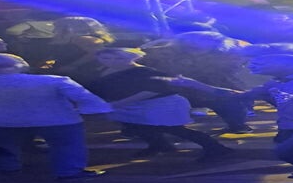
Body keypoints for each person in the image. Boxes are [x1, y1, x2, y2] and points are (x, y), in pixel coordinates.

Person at [170, 54, 293, 182]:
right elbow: (239, 95)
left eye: (270, 65)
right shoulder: (277, 82)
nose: (262, 69)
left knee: (289, 150)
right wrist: (196, 85)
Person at [0, 53, 112, 180]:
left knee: (2, 143)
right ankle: (69, 171)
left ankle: (8, 168)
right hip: (54, 118)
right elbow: (84, 98)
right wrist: (95, 111)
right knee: (66, 144)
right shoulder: (54, 80)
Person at [85, 48, 232, 162]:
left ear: (132, 57)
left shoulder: (143, 72)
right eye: (106, 58)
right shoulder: (103, 71)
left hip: (160, 104)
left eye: (119, 58)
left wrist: (121, 103)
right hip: (132, 105)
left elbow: (155, 90)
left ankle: (216, 148)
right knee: (137, 127)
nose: (112, 61)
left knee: (173, 129)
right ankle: (160, 145)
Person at [139, 31, 255, 134]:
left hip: (207, 88)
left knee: (228, 100)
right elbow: (141, 59)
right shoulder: (164, 51)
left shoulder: (227, 53)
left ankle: (237, 124)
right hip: (175, 89)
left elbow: (231, 78)